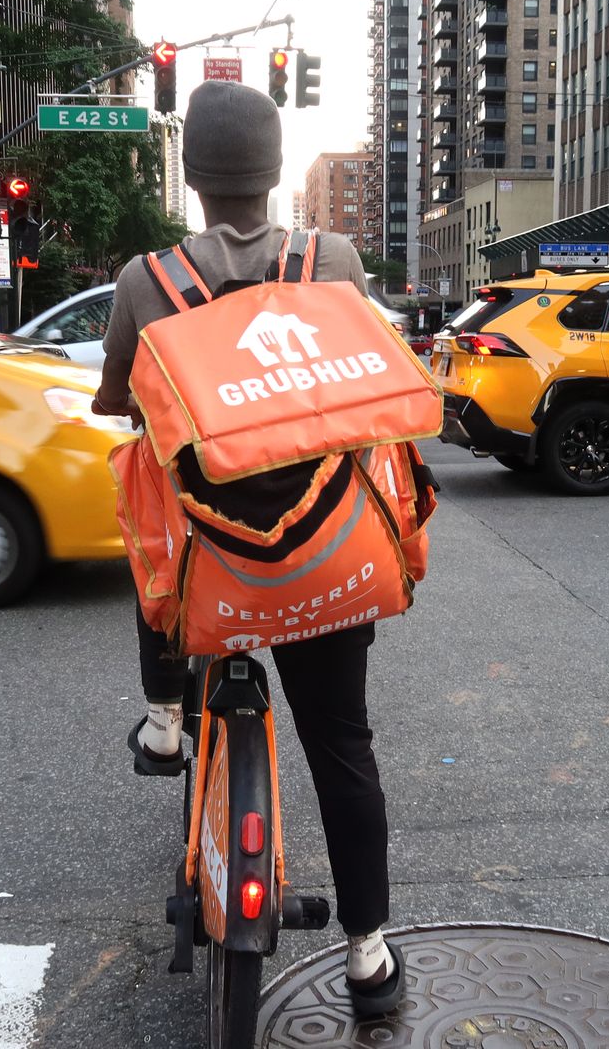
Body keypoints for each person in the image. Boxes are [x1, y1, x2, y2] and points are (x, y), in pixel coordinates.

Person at [93, 80, 405, 1018]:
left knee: (146, 508)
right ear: (272, 173)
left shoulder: (148, 282)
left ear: (191, 179)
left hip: (212, 574)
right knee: (343, 745)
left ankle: (163, 713)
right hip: (324, 564)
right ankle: (368, 956)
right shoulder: (336, 260)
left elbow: (122, 402)